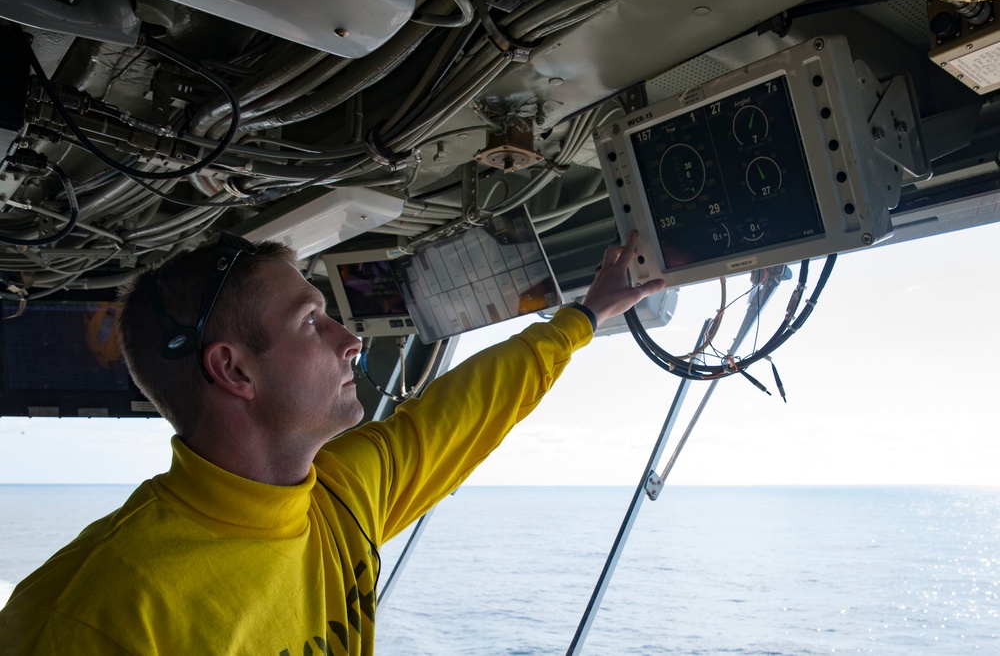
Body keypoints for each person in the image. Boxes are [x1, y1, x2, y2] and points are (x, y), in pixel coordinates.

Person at [0, 231, 663, 655]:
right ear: (234, 370)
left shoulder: (340, 492)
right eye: (310, 321)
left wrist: (582, 318)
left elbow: (465, 411)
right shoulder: (97, 616)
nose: (350, 342)